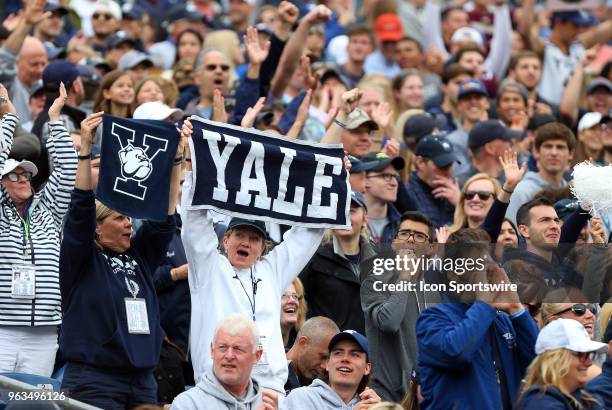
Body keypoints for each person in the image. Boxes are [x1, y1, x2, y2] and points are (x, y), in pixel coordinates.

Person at [180, 117, 327, 395]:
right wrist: (193, 164)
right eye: (240, 235)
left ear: (263, 247)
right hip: (217, 390)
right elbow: (194, 223)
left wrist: (330, 181)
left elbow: (307, 234)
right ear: (225, 239)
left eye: (254, 238)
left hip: (269, 392)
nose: (246, 242)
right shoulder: (209, 266)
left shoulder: (271, 270)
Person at [58, 109, 182, 408]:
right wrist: (85, 153)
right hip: (94, 380)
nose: (129, 223)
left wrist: (175, 161)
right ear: (97, 228)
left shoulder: (138, 256)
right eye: (119, 217)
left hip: (142, 381)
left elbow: (164, 221)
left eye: (129, 217)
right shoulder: (82, 260)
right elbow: (80, 210)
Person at [0, 83, 77, 376]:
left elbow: (68, 169)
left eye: (27, 174)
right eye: (13, 175)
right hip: (2, 330)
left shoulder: (49, 210)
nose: (22, 179)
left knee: (34, 402)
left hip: (44, 333)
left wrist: (55, 120)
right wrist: (9, 116)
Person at [416, 228, 539, 410]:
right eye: (475, 265)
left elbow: (539, 362)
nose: (486, 272)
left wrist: (516, 307)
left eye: (488, 263)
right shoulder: (431, 319)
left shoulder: (502, 320)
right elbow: (457, 352)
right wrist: (484, 302)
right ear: (453, 275)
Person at [360, 211, 441, 402]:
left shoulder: (434, 289)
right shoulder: (374, 280)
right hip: (385, 397)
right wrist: (404, 277)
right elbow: (389, 322)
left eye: (419, 236)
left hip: (425, 396)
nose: (411, 240)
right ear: (395, 242)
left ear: (430, 248)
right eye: (405, 233)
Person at [300, 191, 373, 334]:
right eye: (339, 210)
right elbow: (300, 306)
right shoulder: (312, 258)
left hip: (368, 350)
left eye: (351, 211)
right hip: (329, 349)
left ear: (365, 219)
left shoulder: (379, 262)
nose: (345, 217)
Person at [171, 314, 279, 410]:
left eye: (238, 349)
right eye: (222, 347)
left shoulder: (269, 403)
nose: (229, 356)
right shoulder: (187, 404)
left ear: (257, 355)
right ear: (212, 351)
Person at [516, 319, 607, 410]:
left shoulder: (585, 398)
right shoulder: (541, 404)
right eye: (580, 354)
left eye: (589, 354)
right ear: (555, 358)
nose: (589, 362)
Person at [285, 330, 381, 409]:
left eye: (355, 354)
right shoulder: (302, 397)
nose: (345, 359)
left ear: (367, 368)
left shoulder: (371, 405)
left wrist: (382, 408)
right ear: (327, 364)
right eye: (338, 353)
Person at [505, 122, 575, 225]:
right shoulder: (522, 191)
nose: (554, 153)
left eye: (560, 147)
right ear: (536, 152)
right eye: (548, 146)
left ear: (571, 154)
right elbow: (513, 233)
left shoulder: (573, 193)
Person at [0, 0, 48, 124]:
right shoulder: (8, 87)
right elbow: (5, 59)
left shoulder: (48, 89)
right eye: (34, 64)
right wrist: (27, 24)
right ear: (17, 63)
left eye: (43, 64)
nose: (40, 70)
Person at [407, 134, 460, 228]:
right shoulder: (407, 194)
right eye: (442, 166)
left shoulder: (455, 192)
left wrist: (461, 204)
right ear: (420, 162)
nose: (449, 172)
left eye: (451, 164)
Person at [446, 79, 490, 176]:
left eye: (478, 97)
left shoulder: (499, 135)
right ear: (459, 106)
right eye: (467, 98)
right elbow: (460, 176)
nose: (473, 101)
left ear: (487, 103)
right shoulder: (451, 141)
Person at [456, 120, 521, 187]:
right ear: (490, 148)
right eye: (506, 139)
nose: (512, 143)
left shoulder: (511, 179)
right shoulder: (461, 186)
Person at [285, 316, 339, 394]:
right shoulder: (270, 373)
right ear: (303, 343)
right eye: (323, 357)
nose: (325, 366)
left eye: (329, 360)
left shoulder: (322, 384)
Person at [362, 152, 405, 244]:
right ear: (365, 180)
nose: (394, 183)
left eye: (395, 176)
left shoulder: (403, 226)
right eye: (386, 176)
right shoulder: (348, 223)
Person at [280, 277, 307, 349]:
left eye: (295, 296)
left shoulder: (303, 347)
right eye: (284, 295)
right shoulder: (258, 343)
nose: (292, 301)